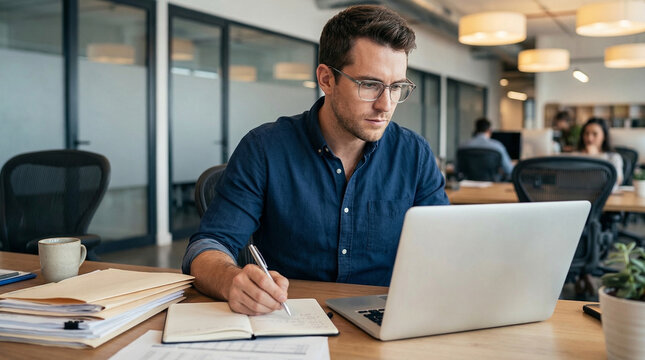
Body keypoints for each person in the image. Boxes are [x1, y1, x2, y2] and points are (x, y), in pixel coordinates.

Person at [182, 5, 449, 315]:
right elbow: (206, 247)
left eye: (396, 87)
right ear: (326, 79)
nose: (385, 104)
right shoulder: (265, 148)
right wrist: (231, 280)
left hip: (387, 317)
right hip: (289, 318)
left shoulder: (414, 154)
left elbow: (443, 249)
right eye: (370, 85)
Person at [575, 117, 623, 186]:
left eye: (595, 134)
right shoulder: (575, 156)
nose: (589, 138)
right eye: (586, 133)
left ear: (604, 136)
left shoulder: (614, 157)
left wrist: (594, 157)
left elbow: (617, 181)